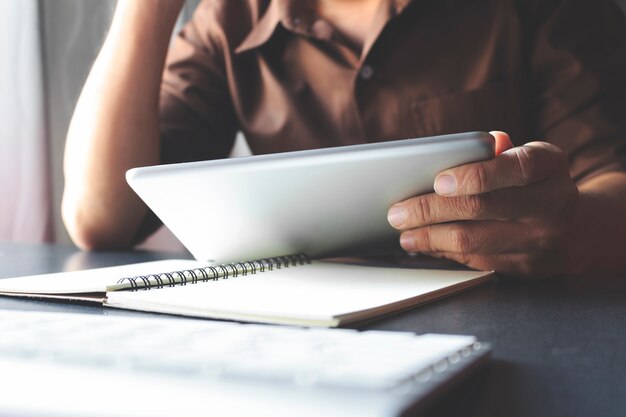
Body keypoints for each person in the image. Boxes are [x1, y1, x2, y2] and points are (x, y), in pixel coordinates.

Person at [62, 0, 626, 278]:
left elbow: (613, 179)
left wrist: (565, 229)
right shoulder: (232, 17)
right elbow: (101, 216)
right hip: (301, 337)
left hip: (508, 326)